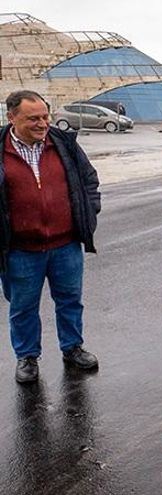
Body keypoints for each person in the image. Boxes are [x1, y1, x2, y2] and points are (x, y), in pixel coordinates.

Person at [0, 90, 101, 384]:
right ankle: (27, 357)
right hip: (20, 250)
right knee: (23, 307)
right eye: (33, 118)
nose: (42, 123)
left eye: (45, 116)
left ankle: (73, 348)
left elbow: (89, 180)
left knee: (70, 300)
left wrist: (89, 212)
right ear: (11, 117)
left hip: (65, 244)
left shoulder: (63, 144)